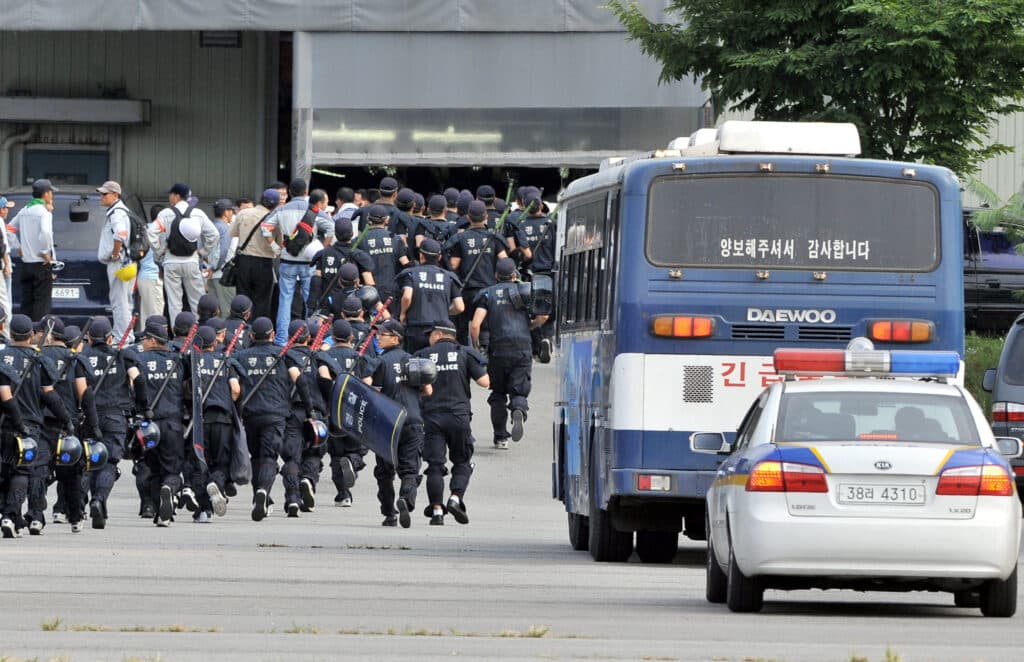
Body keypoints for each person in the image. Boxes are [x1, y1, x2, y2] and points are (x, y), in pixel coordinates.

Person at [234, 316, 315, 521]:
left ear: (251, 336)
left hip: (250, 414)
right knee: (269, 457)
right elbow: (301, 381)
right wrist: (310, 410)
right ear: (272, 335)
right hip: (276, 415)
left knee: (257, 458)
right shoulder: (283, 354)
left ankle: (259, 497)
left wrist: (236, 410)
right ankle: (263, 491)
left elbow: (234, 388)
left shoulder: (241, 356)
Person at [0, 314, 72, 537]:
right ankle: (11, 516)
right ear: (31, 335)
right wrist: (67, 420)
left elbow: (5, 395)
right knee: (22, 472)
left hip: (4, 425)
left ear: (10, 333)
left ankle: (8, 515)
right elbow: (50, 397)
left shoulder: (2, 357)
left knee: (5, 471)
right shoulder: (39, 360)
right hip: (29, 426)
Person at [415, 320, 488, 525]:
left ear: (438, 334)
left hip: (432, 417)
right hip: (459, 416)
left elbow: (414, 385)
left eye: (430, 334)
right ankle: (455, 498)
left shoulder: (422, 356)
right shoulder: (465, 353)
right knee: (462, 461)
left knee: (435, 465)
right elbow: (485, 381)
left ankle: (437, 512)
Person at [471, 258, 548, 450]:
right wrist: (529, 327)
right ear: (515, 275)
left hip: (498, 349)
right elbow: (543, 316)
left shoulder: (487, 294)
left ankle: (500, 437)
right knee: (519, 388)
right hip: (522, 347)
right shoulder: (526, 291)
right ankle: (519, 409)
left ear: (496, 275)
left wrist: (476, 346)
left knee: (497, 393)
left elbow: (475, 324)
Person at [125, 316, 189, 527]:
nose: (142, 342)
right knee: (172, 470)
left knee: (150, 467)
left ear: (153, 340)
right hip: (172, 422)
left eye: (145, 339)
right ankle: (169, 493)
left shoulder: (139, 360)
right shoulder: (179, 360)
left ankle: (156, 508)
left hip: (147, 425)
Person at [260, 179, 334, 346]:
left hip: (287, 259)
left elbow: (265, 227)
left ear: (290, 193)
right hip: (309, 261)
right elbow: (331, 227)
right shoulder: (313, 211)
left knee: (285, 300)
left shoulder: (281, 209)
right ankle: (309, 338)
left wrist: (274, 247)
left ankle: (281, 339)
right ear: (306, 191)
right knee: (310, 300)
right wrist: (322, 248)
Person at [371, 319, 430, 528]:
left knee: (384, 471)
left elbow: (372, 392)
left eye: (382, 335)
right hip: (413, 420)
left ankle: (390, 514)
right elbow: (428, 391)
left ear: (395, 338)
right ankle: (406, 499)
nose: (378, 338)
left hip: (388, 422)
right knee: (409, 469)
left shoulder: (380, 362)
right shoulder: (413, 360)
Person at [30, 317, 82, 535]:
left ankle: (35, 516)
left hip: (42, 422)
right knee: (71, 473)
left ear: (48, 334)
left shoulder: (36, 358)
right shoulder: (75, 359)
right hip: (68, 424)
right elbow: (84, 394)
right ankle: (75, 517)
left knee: (39, 471)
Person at [149, 183, 220, 322]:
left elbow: (151, 232)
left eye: (170, 194)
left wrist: (159, 250)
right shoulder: (198, 213)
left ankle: (178, 335)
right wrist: (203, 252)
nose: (169, 197)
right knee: (196, 301)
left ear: (176, 196)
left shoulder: (166, 214)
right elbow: (214, 235)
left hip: (171, 261)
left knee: (174, 303)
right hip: (192, 261)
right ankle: (198, 332)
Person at [191, 325, 241, 521]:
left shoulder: (193, 361)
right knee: (221, 463)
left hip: (199, 420)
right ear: (215, 343)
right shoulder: (225, 361)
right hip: (222, 418)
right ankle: (216, 484)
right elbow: (236, 390)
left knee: (200, 464)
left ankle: (204, 510)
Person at [321, 319, 373, 506]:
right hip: (354, 411)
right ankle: (352, 461)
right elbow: (368, 384)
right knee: (357, 449)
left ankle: (343, 494)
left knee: (336, 454)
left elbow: (324, 382)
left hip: (333, 411)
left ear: (332, 337)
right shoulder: (359, 357)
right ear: (352, 337)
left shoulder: (325, 356)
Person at [446, 200, 510, 346]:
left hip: (466, 291)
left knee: (461, 327)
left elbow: (454, 264)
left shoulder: (460, 239)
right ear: (486, 216)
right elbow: (504, 261)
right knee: (485, 327)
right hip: (488, 291)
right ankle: (483, 354)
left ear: (468, 217)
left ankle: (464, 355)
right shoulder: (494, 238)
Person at [398, 238, 464, 354]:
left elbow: (407, 296)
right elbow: (460, 307)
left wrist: (403, 313)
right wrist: (444, 310)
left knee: (415, 365)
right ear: (439, 258)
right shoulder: (449, 277)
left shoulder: (411, 273)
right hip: (440, 332)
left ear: (421, 256)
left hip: (416, 328)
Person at [10, 179, 58, 320]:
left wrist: (18, 247)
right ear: (46, 194)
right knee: (41, 303)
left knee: (27, 302)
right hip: (41, 264)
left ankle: (25, 334)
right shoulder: (44, 213)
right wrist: (45, 252)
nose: (52, 195)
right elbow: (46, 232)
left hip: (26, 264)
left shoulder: (24, 210)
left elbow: (9, 229)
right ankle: (38, 334)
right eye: (51, 192)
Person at [518, 190, 557, 362]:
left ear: (524, 206)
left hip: (528, 275)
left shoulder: (520, 225)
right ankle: (547, 339)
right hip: (547, 273)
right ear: (541, 205)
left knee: (531, 312)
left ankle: (536, 345)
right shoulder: (551, 224)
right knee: (547, 310)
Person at [308, 218, 375, 317]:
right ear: (352, 234)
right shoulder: (360, 256)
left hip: (328, 309)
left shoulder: (324, 254)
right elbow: (369, 284)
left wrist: (312, 305)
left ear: (335, 234)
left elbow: (316, 281)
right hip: (354, 309)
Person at [96, 181, 136, 344]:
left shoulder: (117, 213)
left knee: (119, 302)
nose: (101, 197)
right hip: (128, 262)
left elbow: (120, 234)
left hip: (119, 263)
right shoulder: (121, 211)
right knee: (125, 301)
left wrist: (114, 254)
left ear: (115, 195)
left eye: (104, 194)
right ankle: (128, 336)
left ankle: (122, 338)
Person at [230, 189, 280, 320]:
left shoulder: (243, 213)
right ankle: (259, 332)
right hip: (264, 263)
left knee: (243, 299)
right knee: (262, 301)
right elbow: (279, 244)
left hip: (244, 261)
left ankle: (241, 330)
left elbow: (233, 233)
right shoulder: (276, 218)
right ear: (276, 204)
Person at [362, 204, 410, 318]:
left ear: (368, 219)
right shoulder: (396, 239)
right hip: (392, 291)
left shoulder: (360, 240)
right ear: (387, 220)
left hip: (369, 294)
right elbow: (405, 264)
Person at [208, 198, 238, 317]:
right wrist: (215, 267)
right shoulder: (226, 228)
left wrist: (209, 267)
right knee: (227, 312)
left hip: (210, 275)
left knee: (213, 313)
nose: (233, 213)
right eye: (231, 210)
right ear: (226, 212)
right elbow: (224, 251)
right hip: (223, 275)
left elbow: (201, 249)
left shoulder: (210, 227)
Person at [138, 205, 166, 326]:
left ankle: (144, 343)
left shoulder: (144, 229)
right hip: (153, 278)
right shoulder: (160, 233)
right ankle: (153, 344)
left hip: (143, 277)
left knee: (146, 316)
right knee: (156, 318)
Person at [0, 197, 14, 322]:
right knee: (5, 300)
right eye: (5, 208)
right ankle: (7, 329)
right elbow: (3, 247)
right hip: (3, 264)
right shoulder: (0, 223)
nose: (7, 211)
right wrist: (7, 265)